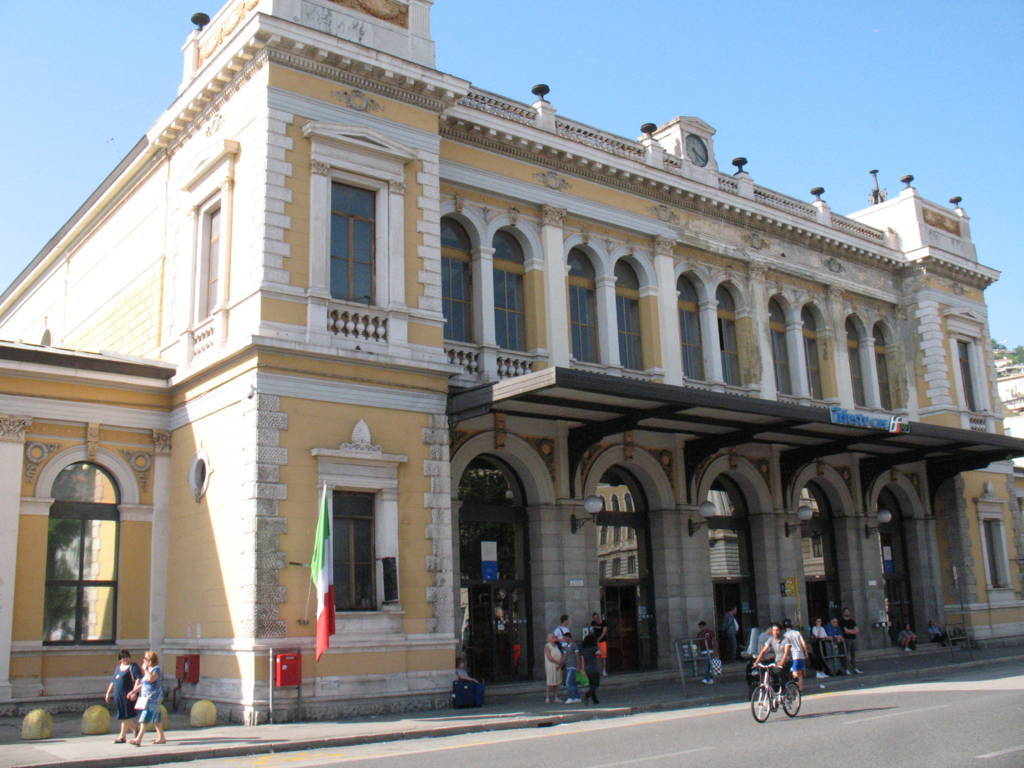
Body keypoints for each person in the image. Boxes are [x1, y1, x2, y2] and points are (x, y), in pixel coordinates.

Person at [128, 651, 165, 746]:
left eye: (145, 658)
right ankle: (161, 737)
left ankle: (138, 739)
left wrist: (145, 669)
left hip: (152, 698)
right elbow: (143, 684)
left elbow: (151, 679)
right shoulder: (149, 670)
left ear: (150, 660)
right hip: (146, 698)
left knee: (144, 718)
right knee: (156, 719)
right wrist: (133, 691)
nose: (143, 660)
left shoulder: (156, 669)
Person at [104, 650, 141, 743]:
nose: (125, 659)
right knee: (122, 715)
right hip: (118, 694)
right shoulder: (118, 668)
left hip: (128, 695)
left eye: (126, 656)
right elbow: (113, 681)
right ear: (120, 659)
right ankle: (135, 729)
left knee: (126, 715)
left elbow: (138, 679)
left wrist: (134, 692)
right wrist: (108, 693)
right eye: (123, 657)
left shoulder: (133, 667)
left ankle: (122, 736)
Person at [752, 622, 791, 692]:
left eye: (777, 630)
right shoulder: (771, 639)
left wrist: (782, 662)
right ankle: (775, 692)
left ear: (780, 631)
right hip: (776, 662)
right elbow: (763, 651)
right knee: (770, 675)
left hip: (785, 662)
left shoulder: (785, 640)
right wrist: (757, 661)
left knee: (781, 676)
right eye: (773, 630)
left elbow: (786, 653)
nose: (775, 632)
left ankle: (784, 691)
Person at [782, 619, 809, 691]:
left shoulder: (785, 635)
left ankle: (796, 688)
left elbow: (785, 647)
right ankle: (801, 688)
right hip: (801, 654)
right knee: (800, 673)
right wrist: (806, 652)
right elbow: (803, 643)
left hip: (793, 656)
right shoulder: (797, 633)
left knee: (795, 673)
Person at [578, 632, 602, 704]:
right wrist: (598, 645)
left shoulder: (583, 650)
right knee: (596, 684)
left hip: (587, 669)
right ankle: (588, 694)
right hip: (594, 668)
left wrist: (582, 669)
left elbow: (582, 659)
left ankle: (595, 700)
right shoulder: (593, 648)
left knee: (591, 684)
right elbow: (600, 653)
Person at [543, 633, 564, 703]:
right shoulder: (547, 646)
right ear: (549, 638)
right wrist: (558, 662)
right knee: (550, 680)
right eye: (553, 637)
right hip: (551, 665)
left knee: (556, 681)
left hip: (557, 665)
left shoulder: (556, 645)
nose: (554, 638)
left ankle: (556, 697)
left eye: (555, 637)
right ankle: (547, 697)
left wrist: (560, 663)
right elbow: (549, 657)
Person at [696, 620, 719, 685]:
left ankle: (707, 678)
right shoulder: (699, 634)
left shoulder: (709, 633)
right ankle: (709, 678)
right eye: (700, 627)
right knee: (708, 665)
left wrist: (716, 650)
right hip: (704, 651)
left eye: (701, 626)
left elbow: (714, 641)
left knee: (708, 665)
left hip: (710, 650)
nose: (701, 628)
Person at [841, 607, 862, 674]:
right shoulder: (842, 621)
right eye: (846, 611)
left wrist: (851, 631)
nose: (847, 613)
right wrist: (852, 631)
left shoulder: (852, 621)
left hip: (853, 639)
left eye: (848, 611)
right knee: (846, 654)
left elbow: (857, 630)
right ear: (843, 613)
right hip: (846, 639)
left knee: (853, 654)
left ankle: (854, 668)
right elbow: (846, 631)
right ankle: (846, 668)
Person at [562, 632, 581, 704]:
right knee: (573, 683)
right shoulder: (566, 646)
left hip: (573, 666)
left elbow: (577, 656)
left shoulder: (574, 645)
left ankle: (570, 697)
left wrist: (578, 666)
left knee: (568, 682)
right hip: (568, 666)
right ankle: (577, 697)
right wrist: (561, 665)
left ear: (568, 638)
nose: (564, 639)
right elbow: (564, 657)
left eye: (564, 638)